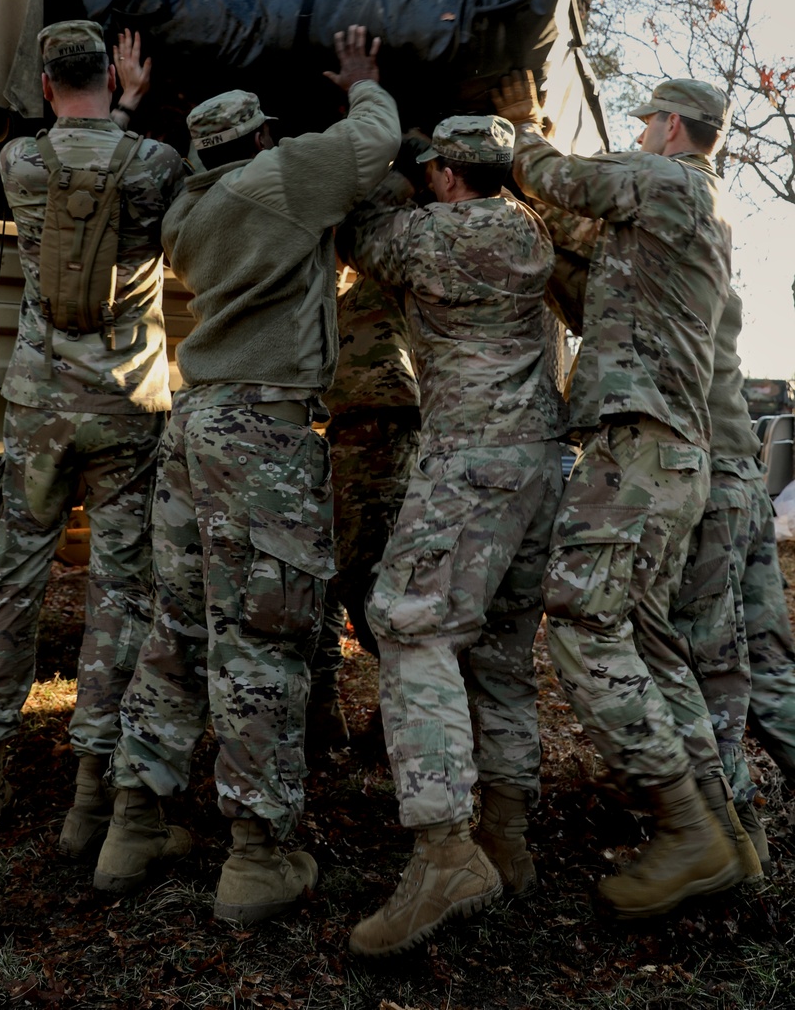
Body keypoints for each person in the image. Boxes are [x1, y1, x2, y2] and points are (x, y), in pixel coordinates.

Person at [94, 26, 401, 923]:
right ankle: (259, 856)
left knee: (177, 624)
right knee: (263, 639)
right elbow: (372, 145)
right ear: (262, 141)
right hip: (261, 433)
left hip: (195, 423)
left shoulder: (190, 212)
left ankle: (134, 822)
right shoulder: (277, 181)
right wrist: (362, 83)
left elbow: (203, 175)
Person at [493, 70, 754, 917]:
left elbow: (567, 179)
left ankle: (685, 828)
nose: (639, 134)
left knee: (579, 620)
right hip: (664, 455)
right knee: (646, 638)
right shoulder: (685, 214)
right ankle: (723, 835)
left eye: (647, 125)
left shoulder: (671, 180)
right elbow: (586, 248)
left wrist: (523, 128)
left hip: (638, 451)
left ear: (673, 128)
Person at [0, 21, 185, 860]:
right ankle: (92, 793)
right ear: (109, 75)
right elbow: (133, 174)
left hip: (40, 404)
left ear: (48, 86)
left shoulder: (18, 164)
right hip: (127, 405)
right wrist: (129, 108)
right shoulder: (156, 164)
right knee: (120, 591)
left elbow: (74, 149)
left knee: (14, 573)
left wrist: (109, 107)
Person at [337, 115, 565, 957]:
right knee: (502, 647)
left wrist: (375, 126)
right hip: (542, 462)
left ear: (443, 173)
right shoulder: (535, 231)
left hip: (468, 459)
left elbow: (356, 222)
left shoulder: (427, 237)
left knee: (408, 625)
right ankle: (507, 838)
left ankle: (443, 854)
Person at [673, 286, 795, 867]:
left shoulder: (650, 266)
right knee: (769, 662)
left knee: (708, 661)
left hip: (709, 483)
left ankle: (736, 826)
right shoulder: (714, 277)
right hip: (745, 478)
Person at [307, 270, 421, 752]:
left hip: (383, 429)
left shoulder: (389, 271)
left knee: (365, 576)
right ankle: (323, 713)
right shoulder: (330, 294)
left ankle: (412, 706)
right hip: (340, 433)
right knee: (328, 575)